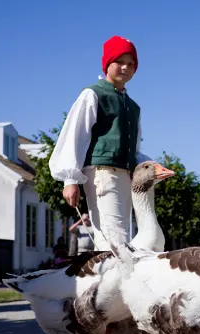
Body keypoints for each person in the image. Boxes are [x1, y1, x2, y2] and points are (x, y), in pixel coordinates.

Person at [49, 35, 151, 250]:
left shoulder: (133, 107)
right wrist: (70, 179)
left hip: (125, 176)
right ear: (107, 63)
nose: (125, 67)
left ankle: (108, 273)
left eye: (131, 63)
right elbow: (75, 135)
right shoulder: (92, 94)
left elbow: (134, 149)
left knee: (120, 239)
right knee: (114, 240)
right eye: (119, 61)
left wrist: (150, 168)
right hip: (102, 174)